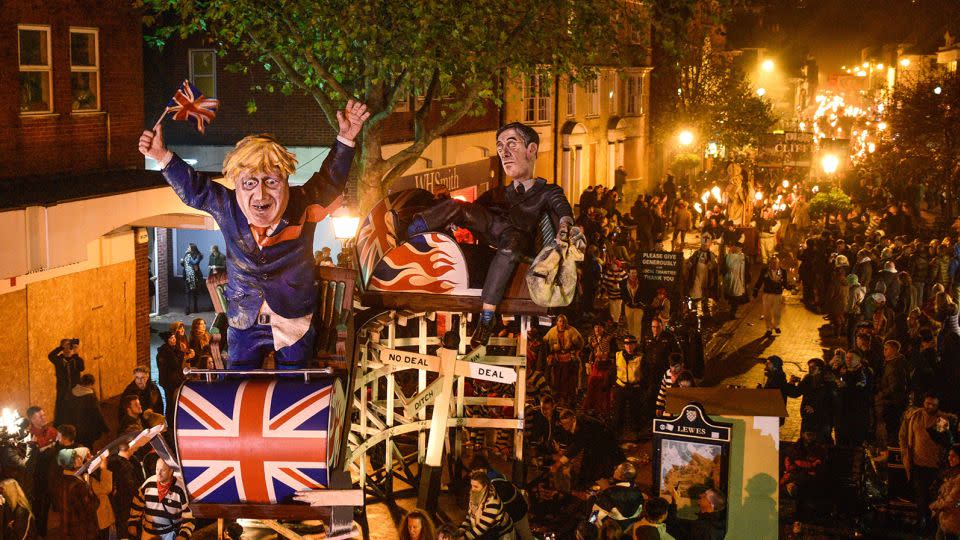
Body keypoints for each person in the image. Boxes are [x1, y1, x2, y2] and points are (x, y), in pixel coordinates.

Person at [139, 100, 368, 369]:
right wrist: (162, 156)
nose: (260, 195)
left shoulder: (302, 202)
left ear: (286, 181)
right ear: (236, 184)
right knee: (240, 381)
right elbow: (194, 189)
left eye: (271, 181)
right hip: (243, 320)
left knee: (295, 380)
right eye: (249, 183)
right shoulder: (227, 206)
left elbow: (330, 180)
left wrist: (346, 138)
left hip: (293, 318)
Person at [407, 123, 575, 347]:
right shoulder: (501, 192)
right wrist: (455, 219)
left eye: (512, 145)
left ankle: (487, 316)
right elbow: (476, 211)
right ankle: (412, 231)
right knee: (458, 206)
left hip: (520, 239)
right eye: (500, 147)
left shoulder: (547, 191)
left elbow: (562, 208)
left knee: (511, 244)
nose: (504, 153)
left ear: (532, 149)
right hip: (496, 229)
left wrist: (565, 226)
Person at [900, 392, 957, 530]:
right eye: (927, 403)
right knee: (921, 498)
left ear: (938, 405)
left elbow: (946, 443)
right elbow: (903, 435)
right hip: (918, 465)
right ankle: (922, 525)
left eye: (933, 404)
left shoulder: (941, 419)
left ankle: (933, 527)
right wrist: (906, 456)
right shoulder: (915, 417)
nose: (929, 406)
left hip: (936, 467)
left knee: (934, 499)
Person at [552, 410, 624, 489]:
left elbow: (577, 446)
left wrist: (559, 462)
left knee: (599, 474)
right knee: (596, 473)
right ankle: (607, 489)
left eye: (566, 423)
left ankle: (609, 493)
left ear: (573, 419)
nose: (564, 426)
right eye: (563, 424)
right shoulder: (573, 424)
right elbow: (573, 443)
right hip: (594, 446)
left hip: (604, 446)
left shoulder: (584, 426)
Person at [128, 459, 195, 540]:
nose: (158, 473)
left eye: (163, 470)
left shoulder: (180, 489)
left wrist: (183, 535)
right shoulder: (148, 483)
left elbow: (189, 516)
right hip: (148, 534)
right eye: (157, 469)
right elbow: (137, 503)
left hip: (170, 535)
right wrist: (133, 522)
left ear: (171, 471)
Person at [784, 359, 838, 444]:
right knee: (805, 443)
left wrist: (815, 409)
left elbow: (831, 402)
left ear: (820, 368)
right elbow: (795, 393)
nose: (810, 369)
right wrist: (791, 383)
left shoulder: (828, 381)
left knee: (821, 444)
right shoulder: (808, 379)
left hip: (822, 420)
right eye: (809, 367)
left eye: (813, 367)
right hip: (807, 418)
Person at [56, 447, 100, 539]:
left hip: (69, 529)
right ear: (71, 463)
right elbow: (90, 507)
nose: (80, 458)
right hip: (83, 531)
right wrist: (89, 489)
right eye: (76, 457)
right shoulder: (78, 485)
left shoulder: (62, 480)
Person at [459, 469, 514, 539]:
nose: (472, 489)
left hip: (501, 535)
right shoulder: (475, 494)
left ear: (485, 486)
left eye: (476, 486)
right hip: (487, 534)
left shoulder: (492, 502)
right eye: (471, 485)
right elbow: (470, 515)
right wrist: (461, 529)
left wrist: (463, 538)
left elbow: (482, 528)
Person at [543, 315, 584, 405]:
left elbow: (580, 342)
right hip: (556, 358)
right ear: (557, 322)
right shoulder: (552, 331)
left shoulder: (571, 331)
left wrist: (576, 352)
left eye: (563, 321)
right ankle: (556, 399)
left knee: (568, 379)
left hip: (569, 358)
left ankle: (568, 399)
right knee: (556, 379)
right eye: (560, 321)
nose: (561, 323)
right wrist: (549, 355)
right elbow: (545, 341)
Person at [875, 340, 909, 446]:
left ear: (894, 350)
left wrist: (881, 394)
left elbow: (893, 386)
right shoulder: (893, 362)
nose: (883, 351)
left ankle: (891, 450)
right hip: (894, 401)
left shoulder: (894, 366)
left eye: (886, 349)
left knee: (892, 427)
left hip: (892, 402)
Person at [611, 335, 644, 440]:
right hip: (621, 387)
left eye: (631, 344)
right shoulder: (618, 355)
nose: (629, 347)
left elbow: (646, 374)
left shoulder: (640, 357)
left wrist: (644, 387)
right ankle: (617, 435)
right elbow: (613, 371)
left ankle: (636, 434)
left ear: (635, 345)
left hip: (635, 388)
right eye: (626, 344)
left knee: (636, 412)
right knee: (618, 412)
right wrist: (610, 385)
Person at [64, 373, 108, 450]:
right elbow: (97, 413)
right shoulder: (90, 397)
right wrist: (105, 428)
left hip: (73, 427)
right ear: (91, 383)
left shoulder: (71, 392)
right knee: (88, 447)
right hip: (86, 428)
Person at [48, 339, 84, 424]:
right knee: (61, 407)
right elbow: (50, 356)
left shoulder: (76, 359)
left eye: (69, 346)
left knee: (75, 406)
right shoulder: (58, 359)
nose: (68, 348)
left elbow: (81, 367)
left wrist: (75, 353)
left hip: (75, 387)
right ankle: (61, 425)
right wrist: (60, 347)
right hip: (62, 388)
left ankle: (76, 424)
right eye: (66, 346)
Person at [753, 256, 789, 336]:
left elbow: (785, 283)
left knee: (777, 312)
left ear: (778, 263)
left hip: (777, 294)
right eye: (772, 263)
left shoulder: (782, 271)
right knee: (767, 312)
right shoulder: (765, 271)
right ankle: (768, 328)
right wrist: (756, 289)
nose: (774, 265)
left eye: (776, 263)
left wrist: (790, 287)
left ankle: (776, 325)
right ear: (770, 263)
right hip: (767, 294)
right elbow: (760, 281)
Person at [930, 444, 960, 539]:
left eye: (953, 456)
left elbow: (951, 501)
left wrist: (934, 505)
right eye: (949, 455)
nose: (949, 458)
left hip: (953, 521)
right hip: (944, 519)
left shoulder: (958, 478)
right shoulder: (950, 473)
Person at [156, 332, 185, 420]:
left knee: (173, 401)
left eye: (174, 338)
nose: (174, 340)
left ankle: (172, 419)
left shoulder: (172, 349)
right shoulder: (166, 352)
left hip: (173, 380)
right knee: (170, 402)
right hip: (169, 382)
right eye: (172, 338)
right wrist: (182, 353)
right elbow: (175, 364)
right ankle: (170, 420)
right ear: (167, 340)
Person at [686, 238, 718, 318]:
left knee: (705, 293)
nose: (704, 246)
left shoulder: (711, 254)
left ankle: (705, 311)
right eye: (703, 245)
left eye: (706, 245)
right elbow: (691, 261)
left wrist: (712, 265)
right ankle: (697, 310)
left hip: (706, 277)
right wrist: (689, 264)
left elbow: (714, 265)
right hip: (696, 276)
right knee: (697, 293)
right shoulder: (696, 253)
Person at [723, 241, 749, 319]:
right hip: (734, 278)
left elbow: (746, 269)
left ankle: (732, 312)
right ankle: (732, 313)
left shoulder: (731, 257)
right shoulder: (739, 257)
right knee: (735, 296)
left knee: (735, 295)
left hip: (735, 278)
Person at [180, 243, 204, 314]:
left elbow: (195, 263)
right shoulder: (187, 254)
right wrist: (182, 262)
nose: (188, 248)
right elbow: (184, 264)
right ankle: (188, 309)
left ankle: (195, 308)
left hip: (195, 275)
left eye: (189, 247)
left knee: (194, 292)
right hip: (188, 275)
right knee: (188, 292)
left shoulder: (197, 255)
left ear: (192, 248)